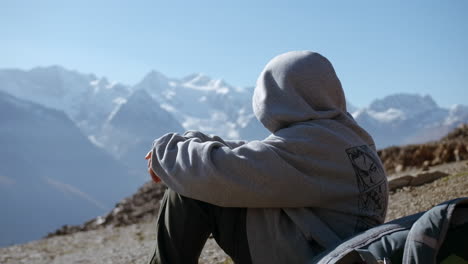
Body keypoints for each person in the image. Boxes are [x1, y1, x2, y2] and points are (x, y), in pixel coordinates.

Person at [145, 51, 388, 264]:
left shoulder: (311, 145)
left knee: (191, 186)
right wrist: (191, 142)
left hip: (316, 255)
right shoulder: (341, 136)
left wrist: (168, 151)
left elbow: (226, 169)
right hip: (336, 249)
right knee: (197, 170)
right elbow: (254, 157)